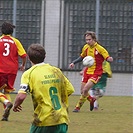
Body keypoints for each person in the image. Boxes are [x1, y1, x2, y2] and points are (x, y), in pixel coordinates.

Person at [13, 43, 74, 133]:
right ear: (45, 56)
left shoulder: (29, 73)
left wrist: (16, 105)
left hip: (43, 120)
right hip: (61, 119)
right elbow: (69, 90)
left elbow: (21, 96)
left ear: (29, 58)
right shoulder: (56, 70)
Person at [69, 31, 113, 112]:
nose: (87, 41)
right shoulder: (85, 47)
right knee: (82, 91)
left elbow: (107, 57)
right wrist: (73, 62)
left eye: (89, 40)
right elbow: (81, 57)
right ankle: (92, 100)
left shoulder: (100, 48)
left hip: (96, 73)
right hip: (87, 72)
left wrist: (109, 59)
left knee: (86, 90)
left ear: (94, 39)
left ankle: (77, 107)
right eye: (86, 40)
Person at [0, 21, 27, 121]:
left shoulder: (0, 40)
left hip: (1, 69)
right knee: (7, 91)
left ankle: (6, 103)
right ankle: (5, 113)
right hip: (12, 70)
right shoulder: (16, 41)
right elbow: (24, 56)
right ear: (11, 32)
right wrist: (23, 65)